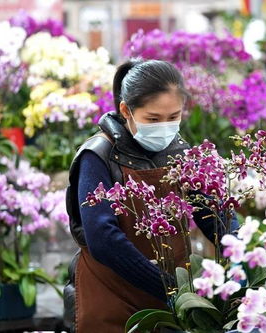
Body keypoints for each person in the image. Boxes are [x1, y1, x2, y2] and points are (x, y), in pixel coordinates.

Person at [63, 59, 237, 332]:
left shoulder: (179, 151)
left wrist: (241, 253)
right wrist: (169, 288)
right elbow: (102, 239)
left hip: (172, 300)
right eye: (153, 119)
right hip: (111, 295)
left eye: (173, 117)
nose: (164, 128)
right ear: (126, 110)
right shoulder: (98, 156)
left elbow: (212, 211)